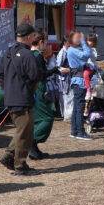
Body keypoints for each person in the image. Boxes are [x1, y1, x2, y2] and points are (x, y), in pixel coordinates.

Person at [0, 23, 46, 174]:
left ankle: (8, 155)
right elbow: (36, 76)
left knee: (22, 130)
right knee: (25, 133)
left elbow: (0, 75)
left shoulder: (8, 52)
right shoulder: (28, 55)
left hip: (10, 97)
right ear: (29, 37)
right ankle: (20, 165)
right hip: (23, 97)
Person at [29, 30, 63, 161]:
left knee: (37, 119)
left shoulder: (29, 54)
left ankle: (34, 148)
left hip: (33, 90)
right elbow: (41, 75)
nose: (46, 45)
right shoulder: (37, 55)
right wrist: (55, 70)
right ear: (41, 42)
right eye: (45, 42)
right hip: (39, 90)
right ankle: (31, 142)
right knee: (47, 118)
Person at [67, 30, 94, 140]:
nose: (79, 39)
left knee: (76, 106)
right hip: (79, 80)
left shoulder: (72, 50)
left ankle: (74, 131)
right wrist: (83, 41)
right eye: (77, 38)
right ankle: (80, 132)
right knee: (80, 107)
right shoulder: (73, 50)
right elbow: (88, 54)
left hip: (77, 80)